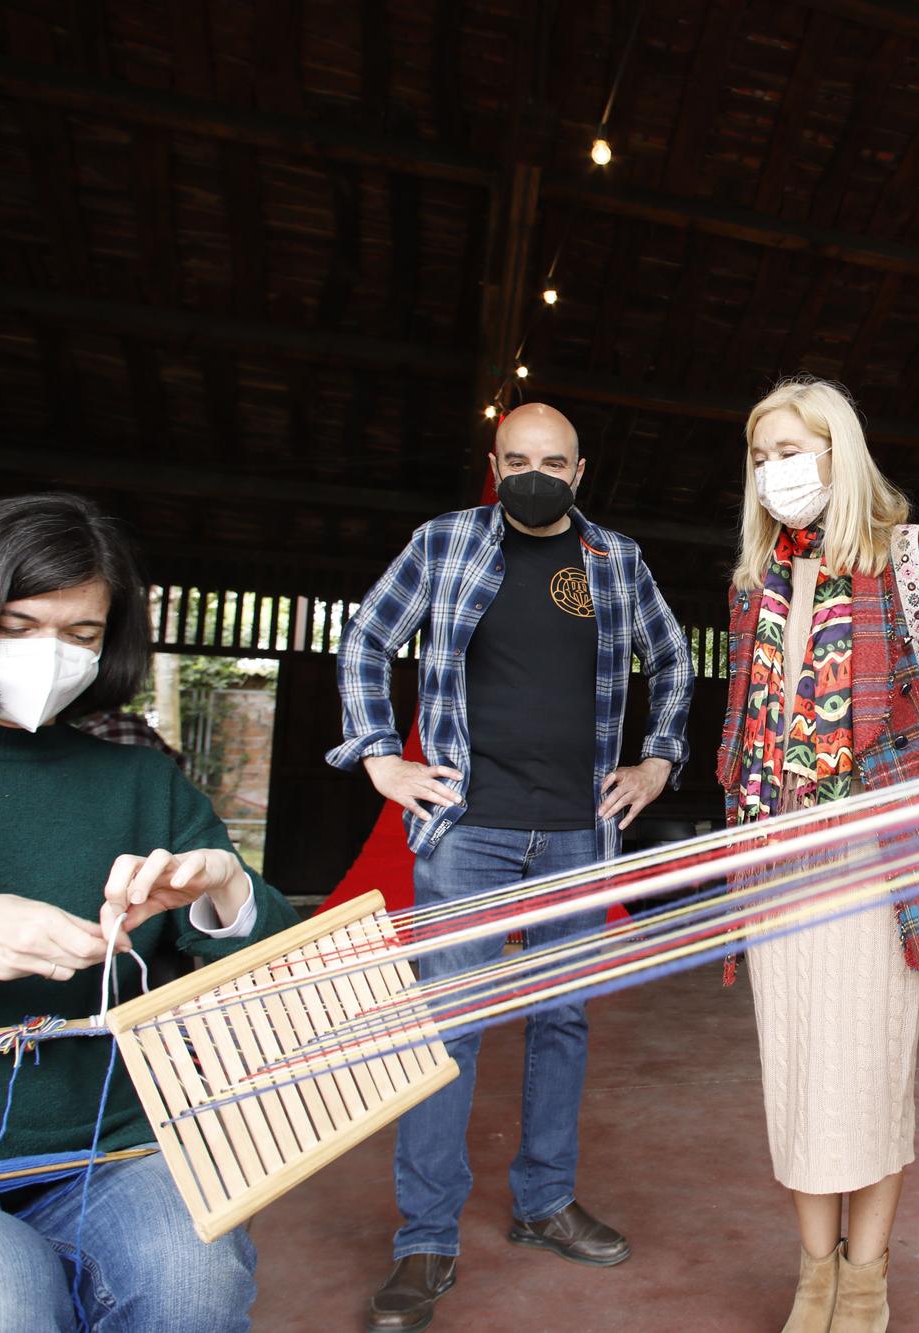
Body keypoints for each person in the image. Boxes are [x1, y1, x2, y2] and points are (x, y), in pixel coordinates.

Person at [0, 493, 299, 1331]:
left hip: (103, 1148)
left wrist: (226, 887)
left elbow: (289, 983)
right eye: (17, 623)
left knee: (193, 1264)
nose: (50, 653)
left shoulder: (142, 785)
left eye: (81, 634)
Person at [328, 402, 694, 1332]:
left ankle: (544, 1201)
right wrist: (379, 753)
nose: (536, 472)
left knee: (560, 1018)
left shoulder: (617, 560)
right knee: (449, 1026)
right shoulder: (445, 543)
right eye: (517, 458)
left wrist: (657, 759)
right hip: (468, 827)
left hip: (578, 829)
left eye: (554, 461)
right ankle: (425, 1236)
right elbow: (368, 635)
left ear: (580, 471)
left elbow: (673, 656)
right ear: (494, 463)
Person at [715, 376, 919, 1333]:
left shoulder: (914, 561)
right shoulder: (756, 582)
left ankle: (865, 1278)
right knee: (794, 1070)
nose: (772, 472)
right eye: (759, 457)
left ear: (840, 453)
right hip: (776, 866)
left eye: (789, 451)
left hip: (876, 866)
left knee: (871, 1070)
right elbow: (746, 730)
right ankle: (813, 1275)